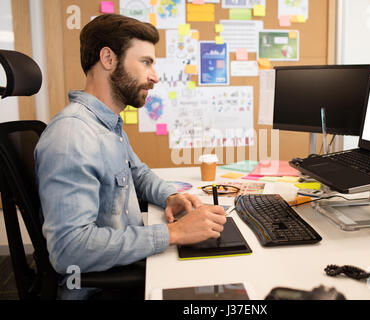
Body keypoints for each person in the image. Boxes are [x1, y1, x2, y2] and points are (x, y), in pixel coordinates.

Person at [34, 13, 226, 300]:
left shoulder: (107, 126)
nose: (155, 76)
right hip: (100, 290)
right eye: (146, 62)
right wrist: (174, 234)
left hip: (125, 269)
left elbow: (138, 174)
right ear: (108, 59)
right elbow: (69, 249)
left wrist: (171, 196)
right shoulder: (73, 135)